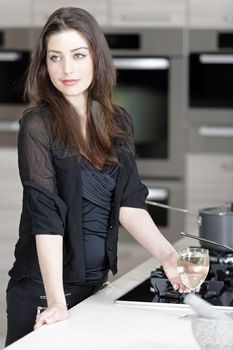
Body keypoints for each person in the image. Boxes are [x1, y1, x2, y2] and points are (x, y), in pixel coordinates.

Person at [5, 7, 187, 347]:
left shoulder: (117, 122)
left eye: (77, 55)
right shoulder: (37, 126)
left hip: (94, 286)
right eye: (55, 58)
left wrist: (167, 257)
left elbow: (129, 203)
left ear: (96, 58)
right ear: (44, 65)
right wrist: (57, 301)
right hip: (43, 291)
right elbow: (46, 218)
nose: (67, 69)